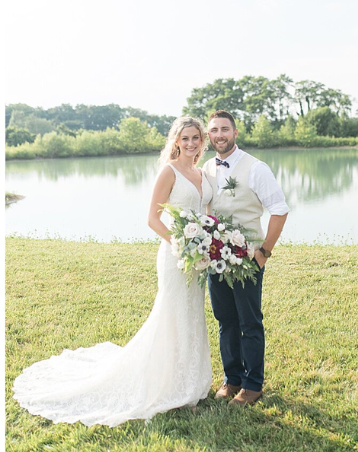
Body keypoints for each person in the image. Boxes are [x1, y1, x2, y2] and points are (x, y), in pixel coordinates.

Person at [12, 116, 214, 426]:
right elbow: (152, 218)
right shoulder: (169, 172)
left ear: (202, 141)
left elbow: (206, 214)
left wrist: (207, 244)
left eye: (195, 138)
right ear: (176, 141)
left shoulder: (201, 173)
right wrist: (182, 244)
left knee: (193, 313)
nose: (190, 143)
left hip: (198, 258)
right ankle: (171, 385)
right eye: (184, 138)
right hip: (176, 256)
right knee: (173, 314)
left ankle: (191, 381)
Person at [202, 110, 289, 406]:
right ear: (209, 135)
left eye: (224, 129)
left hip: (248, 259)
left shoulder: (256, 168)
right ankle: (232, 378)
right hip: (216, 258)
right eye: (214, 130)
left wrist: (264, 252)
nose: (220, 135)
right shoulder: (206, 168)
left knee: (249, 322)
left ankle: (253, 385)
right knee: (225, 320)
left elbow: (279, 209)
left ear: (235, 133)